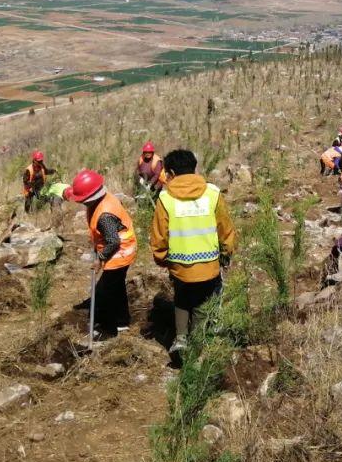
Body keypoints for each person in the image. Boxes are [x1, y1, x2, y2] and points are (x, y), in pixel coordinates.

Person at [150, 149, 238, 362]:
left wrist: (163, 259)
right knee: (201, 304)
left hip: (180, 265)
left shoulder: (165, 199)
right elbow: (225, 229)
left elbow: (159, 238)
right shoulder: (212, 193)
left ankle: (181, 338)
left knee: (182, 298)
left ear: (170, 172)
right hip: (209, 265)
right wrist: (227, 252)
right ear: (194, 168)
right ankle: (196, 347)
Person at [63, 169, 138, 338]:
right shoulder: (103, 197)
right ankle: (122, 322)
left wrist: (100, 259)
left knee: (104, 293)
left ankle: (107, 329)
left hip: (119, 254)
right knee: (117, 288)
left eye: (83, 200)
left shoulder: (104, 215)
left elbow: (113, 241)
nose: (82, 203)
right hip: (123, 250)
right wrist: (68, 192)